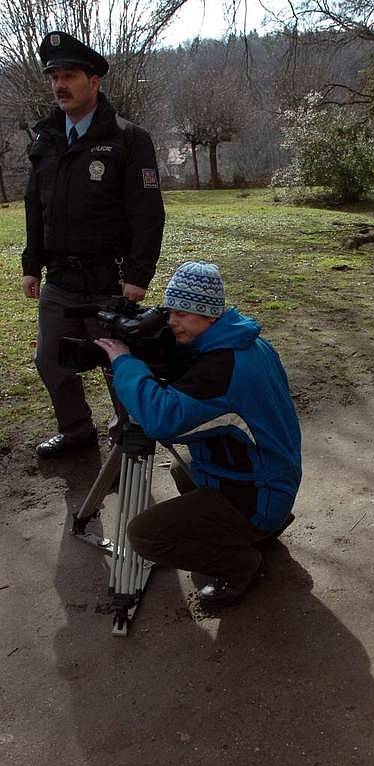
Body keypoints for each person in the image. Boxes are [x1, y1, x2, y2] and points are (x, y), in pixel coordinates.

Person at [95, 262, 302, 609]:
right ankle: (259, 528)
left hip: (261, 494)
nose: (172, 321)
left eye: (183, 313)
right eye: (170, 311)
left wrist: (125, 362)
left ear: (210, 316)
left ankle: (240, 563)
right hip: (275, 475)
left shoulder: (220, 371)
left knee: (144, 535)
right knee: (182, 470)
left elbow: (161, 421)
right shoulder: (247, 343)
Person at [22, 31, 165, 458]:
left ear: (94, 81)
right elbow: (35, 205)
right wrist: (32, 263)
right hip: (61, 280)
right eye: (54, 77)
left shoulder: (128, 138)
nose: (60, 85)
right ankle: (76, 431)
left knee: (116, 363)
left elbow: (148, 212)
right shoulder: (46, 139)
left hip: (110, 279)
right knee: (50, 359)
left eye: (69, 76)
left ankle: (126, 433)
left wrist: (138, 276)